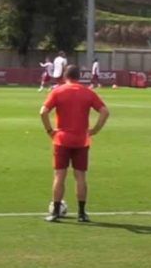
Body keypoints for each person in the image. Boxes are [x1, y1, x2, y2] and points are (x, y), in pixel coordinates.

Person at [40, 65, 110, 222]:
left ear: (65, 76)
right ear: (80, 76)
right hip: (81, 140)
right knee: (80, 177)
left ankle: (56, 212)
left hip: (62, 139)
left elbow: (43, 112)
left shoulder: (57, 91)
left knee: (59, 176)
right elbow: (105, 112)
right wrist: (95, 130)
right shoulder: (88, 92)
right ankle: (82, 213)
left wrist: (50, 131)